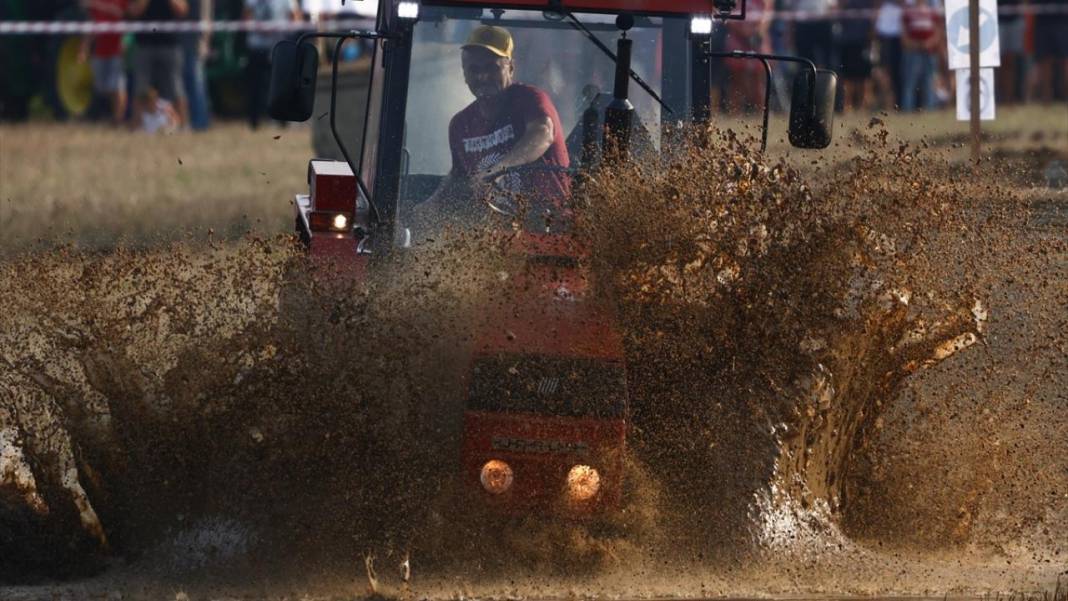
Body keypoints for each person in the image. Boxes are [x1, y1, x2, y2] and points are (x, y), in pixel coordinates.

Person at [419, 25, 570, 221]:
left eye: (492, 67)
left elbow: (543, 133)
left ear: (511, 68)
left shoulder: (530, 99)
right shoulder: (460, 124)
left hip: (550, 228)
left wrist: (496, 170)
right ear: (464, 74)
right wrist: (431, 204)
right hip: (493, 238)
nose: (483, 77)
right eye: (474, 69)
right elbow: (458, 177)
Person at [129, 0, 189, 127]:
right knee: (141, 89)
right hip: (144, 44)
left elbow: (182, 10)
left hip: (170, 44)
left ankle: (183, 126)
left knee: (176, 88)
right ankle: (137, 127)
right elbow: (133, 12)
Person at [244, 0, 301, 129]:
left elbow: (295, 17)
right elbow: (246, 17)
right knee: (256, 86)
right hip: (257, 47)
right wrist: (261, 29)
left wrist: (284, 29)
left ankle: (282, 119)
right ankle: (254, 120)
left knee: (281, 85)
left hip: (279, 46)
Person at [80, 0, 129, 125]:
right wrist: (84, 48)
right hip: (100, 50)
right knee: (101, 87)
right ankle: (110, 115)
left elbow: (126, 16)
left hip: (117, 50)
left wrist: (127, 41)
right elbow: (91, 23)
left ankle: (118, 119)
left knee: (117, 86)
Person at [900, 0, 941, 111]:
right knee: (910, 82)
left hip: (929, 52)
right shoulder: (908, 12)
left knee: (929, 82)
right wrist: (916, 45)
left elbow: (937, 32)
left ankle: (930, 109)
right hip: (912, 52)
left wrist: (929, 43)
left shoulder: (933, 11)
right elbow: (903, 34)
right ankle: (907, 109)